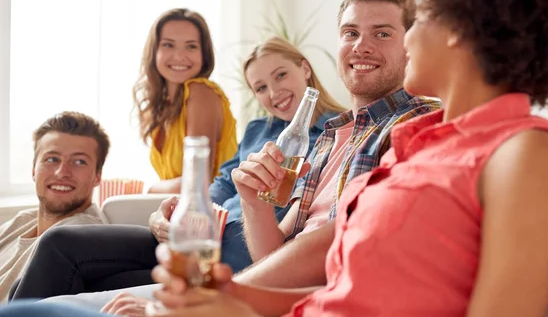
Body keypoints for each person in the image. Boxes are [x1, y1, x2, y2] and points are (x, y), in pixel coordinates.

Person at [0, 0, 548, 317]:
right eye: (354, 32)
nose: (398, 39)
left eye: (418, 17)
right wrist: (225, 297)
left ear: (464, 26)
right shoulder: (424, 146)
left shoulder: (524, 154)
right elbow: (338, 290)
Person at [10, 0, 439, 316]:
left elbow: (341, 237)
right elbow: (276, 252)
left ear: (410, 43)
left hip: (275, 298)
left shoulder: (415, 125)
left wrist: (221, 295)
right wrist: (251, 200)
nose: (361, 46)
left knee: (42, 314)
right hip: (255, 283)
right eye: (350, 32)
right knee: (53, 302)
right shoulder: (329, 137)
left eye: (381, 33)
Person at [9, 37, 346, 301]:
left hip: (228, 257)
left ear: (304, 69)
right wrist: (168, 213)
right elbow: (220, 186)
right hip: (186, 240)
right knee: (60, 241)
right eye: (260, 87)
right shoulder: (258, 130)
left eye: (281, 75)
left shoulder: (338, 134)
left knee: (88, 280)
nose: (273, 93)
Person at [0, 111, 110, 303]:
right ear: (34, 170)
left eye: (79, 162)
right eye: (52, 159)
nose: (62, 172)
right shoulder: (23, 220)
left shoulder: (79, 235)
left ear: (97, 177)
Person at [133, 8, 238, 193]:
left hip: (212, 214)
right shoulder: (162, 106)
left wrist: (148, 190)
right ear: (154, 50)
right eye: (168, 45)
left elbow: (197, 181)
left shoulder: (201, 92)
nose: (180, 56)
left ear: (203, 54)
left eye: (191, 46)